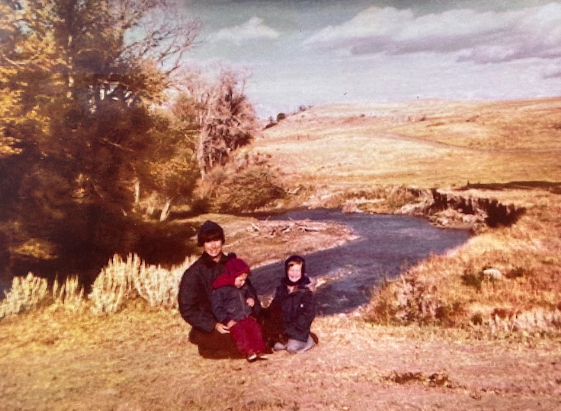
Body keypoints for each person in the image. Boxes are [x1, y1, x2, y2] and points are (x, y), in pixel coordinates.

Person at [178, 220, 244, 358]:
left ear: (222, 241)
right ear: (202, 244)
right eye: (208, 241)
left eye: (216, 240)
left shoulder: (233, 265)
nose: (213, 246)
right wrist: (212, 324)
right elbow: (187, 308)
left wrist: (249, 306)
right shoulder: (194, 273)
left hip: (235, 318)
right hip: (213, 324)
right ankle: (209, 346)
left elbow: (247, 291)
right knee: (240, 346)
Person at [211, 257, 267, 362]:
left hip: (246, 316)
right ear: (232, 277)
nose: (243, 282)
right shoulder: (221, 290)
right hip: (234, 319)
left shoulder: (243, 286)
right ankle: (248, 351)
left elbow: (249, 292)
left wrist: (251, 298)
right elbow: (217, 308)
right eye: (241, 280)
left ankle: (259, 349)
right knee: (240, 334)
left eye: (244, 280)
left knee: (255, 329)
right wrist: (227, 320)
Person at [269, 255, 317, 354]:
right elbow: (275, 308)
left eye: (297, 271)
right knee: (277, 346)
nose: (294, 274)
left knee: (292, 348)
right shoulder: (282, 289)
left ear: (302, 272)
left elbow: (308, 314)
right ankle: (289, 340)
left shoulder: (305, 292)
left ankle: (310, 340)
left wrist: (295, 328)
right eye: (291, 270)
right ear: (286, 271)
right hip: (285, 329)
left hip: (299, 329)